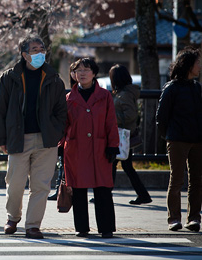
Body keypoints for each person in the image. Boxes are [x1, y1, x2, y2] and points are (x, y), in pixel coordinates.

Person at [0, 36, 67, 239]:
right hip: (18, 137)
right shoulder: (9, 77)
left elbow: (62, 111)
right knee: (15, 183)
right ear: (24, 54)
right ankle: (13, 217)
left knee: (41, 186)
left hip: (47, 140)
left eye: (42, 49)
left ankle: (33, 225)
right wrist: (1, 138)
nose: (40, 53)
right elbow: (0, 110)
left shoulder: (53, 78)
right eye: (35, 49)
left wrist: (56, 131)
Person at [61, 58, 119, 238]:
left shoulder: (105, 96)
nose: (82, 73)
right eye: (78, 70)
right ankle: (82, 227)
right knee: (78, 189)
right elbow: (63, 125)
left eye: (86, 70)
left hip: (100, 148)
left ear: (94, 73)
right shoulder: (69, 98)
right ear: (73, 74)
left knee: (103, 188)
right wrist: (60, 146)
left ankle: (106, 227)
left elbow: (111, 122)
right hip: (76, 149)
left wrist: (113, 145)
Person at [156, 47, 202, 232]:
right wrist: (168, 136)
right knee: (176, 179)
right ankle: (174, 218)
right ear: (188, 65)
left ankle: (194, 218)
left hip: (197, 139)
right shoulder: (171, 88)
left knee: (197, 180)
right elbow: (161, 117)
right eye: (197, 62)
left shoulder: (197, 88)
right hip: (176, 139)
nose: (199, 66)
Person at [109, 64, 152, 205]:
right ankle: (143, 194)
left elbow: (130, 115)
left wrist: (114, 120)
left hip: (121, 135)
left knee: (113, 163)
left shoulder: (124, 95)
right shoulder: (126, 93)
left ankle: (105, 194)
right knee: (124, 166)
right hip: (124, 135)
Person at [48, 62, 77, 201]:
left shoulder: (102, 96)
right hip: (67, 138)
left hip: (80, 138)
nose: (79, 74)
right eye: (75, 71)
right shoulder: (68, 96)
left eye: (85, 70)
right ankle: (59, 189)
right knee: (62, 165)